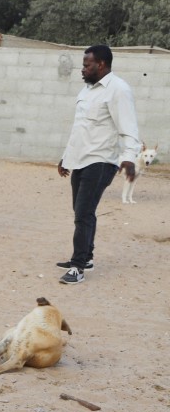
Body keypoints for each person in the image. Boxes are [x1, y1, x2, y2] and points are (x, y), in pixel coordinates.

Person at [55, 45, 140, 285]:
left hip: (101, 161)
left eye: (87, 64)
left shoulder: (118, 90)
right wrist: (66, 157)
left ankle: (78, 266)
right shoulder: (88, 90)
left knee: (83, 213)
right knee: (81, 211)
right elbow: (80, 128)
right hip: (80, 159)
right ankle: (88, 257)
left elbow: (129, 127)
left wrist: (129, 158)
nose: (82, 69)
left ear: (101, 64)